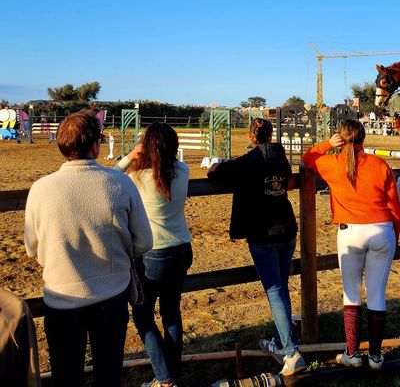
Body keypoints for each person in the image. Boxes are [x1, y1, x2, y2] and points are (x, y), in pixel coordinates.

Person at [24, 111, 153, 387]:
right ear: (95, 145)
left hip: (61, 298)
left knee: (65, 375)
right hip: (111, 295)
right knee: (108, 374)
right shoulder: (120, 183)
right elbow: (145, 242)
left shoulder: (40, 189)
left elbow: (31, 248)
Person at [207, 118, 305, 377]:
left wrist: (217, 166)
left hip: (263, 234)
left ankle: (292, 351)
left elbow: (218, 173)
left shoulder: (250, 161)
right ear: (271, 134)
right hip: (286, 228)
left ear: (252, 135)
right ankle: (281, 342)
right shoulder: (281, 159)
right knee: (281, 288)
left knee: (274, 291)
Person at [303, 120, 400, 370]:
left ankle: (353, 353)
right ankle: (376, 356)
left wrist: (327, 144)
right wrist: (395, 236)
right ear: (364, 139)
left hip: (350, 231)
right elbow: (394, 205)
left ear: (342, 139)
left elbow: (307, 159)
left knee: (351, 293)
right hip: (382, 230)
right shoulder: (380, 164)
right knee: (377, 294)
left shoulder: (333, 164)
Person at [115, 122, 193, 387]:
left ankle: (165, 378)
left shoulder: (137, 178)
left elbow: (107, 177)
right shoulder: (184, 170)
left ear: (147, 146)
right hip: (182, 248)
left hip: (152, 254)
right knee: (171, 311)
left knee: (142, 316)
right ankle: (172, 372)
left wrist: (129, 157)